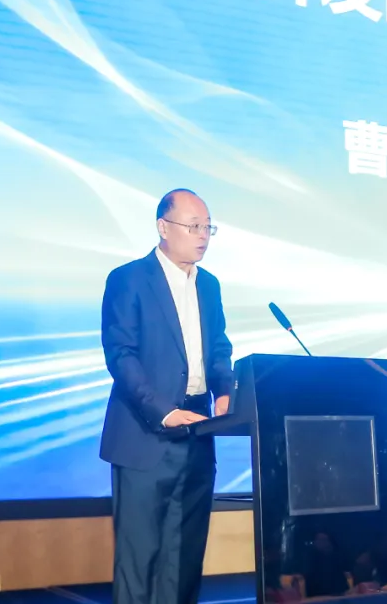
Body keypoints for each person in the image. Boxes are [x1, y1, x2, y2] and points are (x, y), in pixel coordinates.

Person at [99, 188, 234, 604]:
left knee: (185, 558)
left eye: (208, 227)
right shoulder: (128, 279)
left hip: (198, 431)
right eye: (193, 226)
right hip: (145, 434)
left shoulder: (209, 285)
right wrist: (164, 412)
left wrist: (225, 391)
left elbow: (218, 348)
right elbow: (121, 355)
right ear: (163, 227)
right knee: (140, 560)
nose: (203, 236)